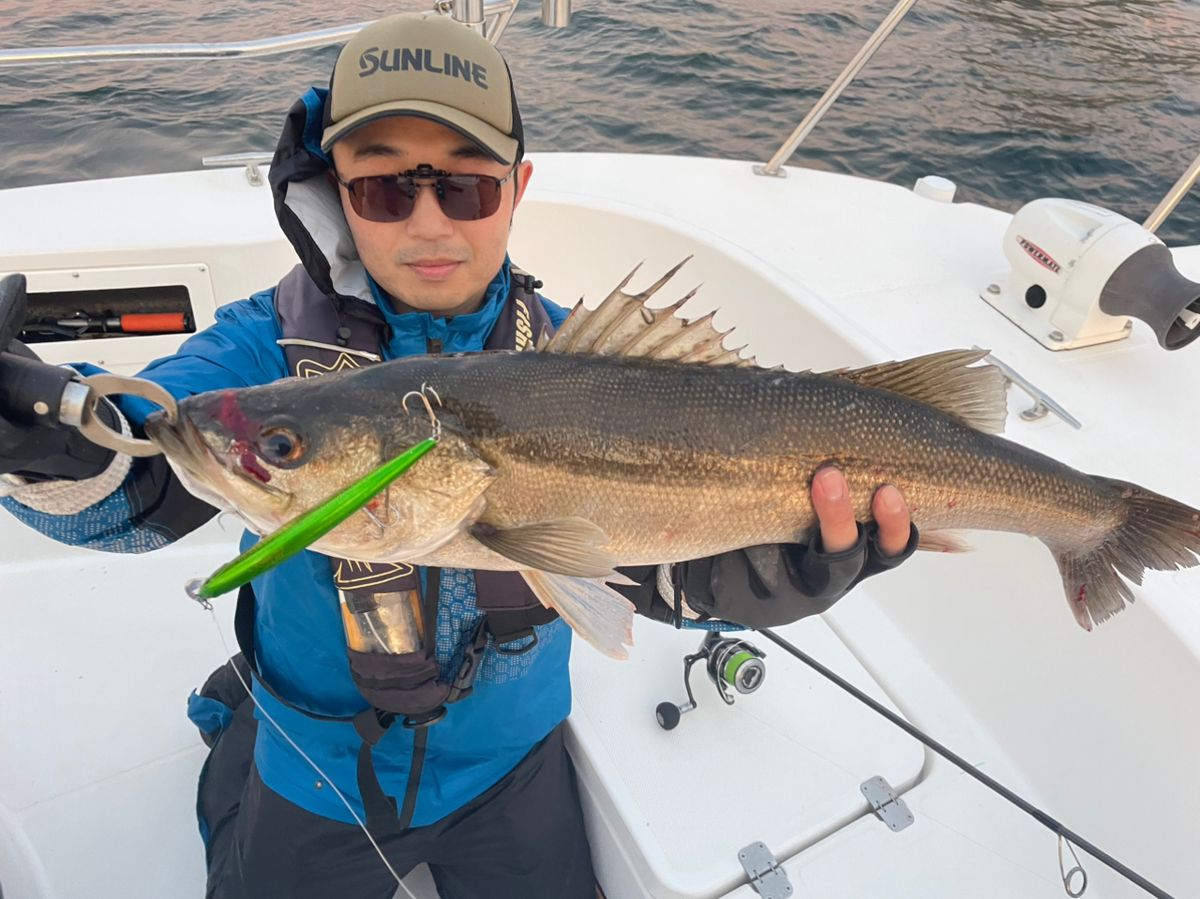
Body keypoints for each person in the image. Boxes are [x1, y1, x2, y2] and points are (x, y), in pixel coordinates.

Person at [0, 12, 916, 899]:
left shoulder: (584, 364)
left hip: (511, 754)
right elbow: (149, 462)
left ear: (516, 191)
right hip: (318, 761)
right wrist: (44, 445)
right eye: (386, 188)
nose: (429, 224)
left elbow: (644, 577)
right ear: (334, 189)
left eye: (467, 187)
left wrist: (756, 581)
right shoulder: (264, 349)